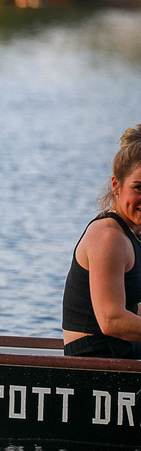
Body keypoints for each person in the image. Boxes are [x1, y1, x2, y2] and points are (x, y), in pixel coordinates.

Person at [62, 124, 141, 357]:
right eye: (138, 187)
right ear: (116, 185)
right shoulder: (109, 236)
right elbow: (111, 320)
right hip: (95, 362)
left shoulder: (133, 235)